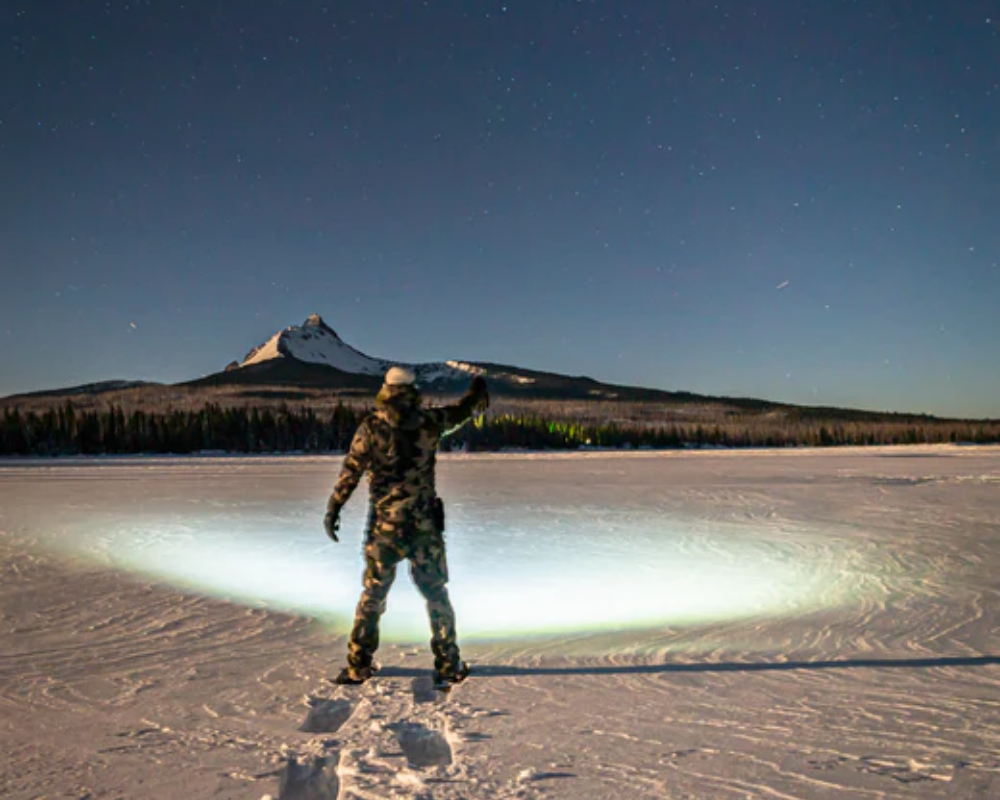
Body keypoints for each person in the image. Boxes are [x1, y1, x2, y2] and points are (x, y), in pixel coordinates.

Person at [324, 366, 489, 688]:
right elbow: (461, 412)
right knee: (436, 594)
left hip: (385, 528)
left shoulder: (371, 427)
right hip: (424, 527)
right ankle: (449, 664)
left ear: (385, 388)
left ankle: (358, 664)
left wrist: (334, 507)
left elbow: (351, 472)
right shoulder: (429, 423)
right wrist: (475, 393)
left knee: (372, 596)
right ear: (413, 390)